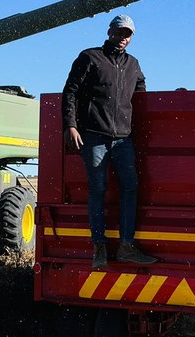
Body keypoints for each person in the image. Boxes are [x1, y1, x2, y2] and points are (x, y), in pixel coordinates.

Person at [62, 14, 157, 270]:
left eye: (128, 34)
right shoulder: (90, 57)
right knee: (99, 190)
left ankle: (126, 246)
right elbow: (70, 91)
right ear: (109, 31)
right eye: (120, 32)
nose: (123, 37)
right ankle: (99, 247)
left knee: (130, 188)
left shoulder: (133, 65)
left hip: (123, 139)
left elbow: (142, 94)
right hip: (93, 136)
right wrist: (70, 126)